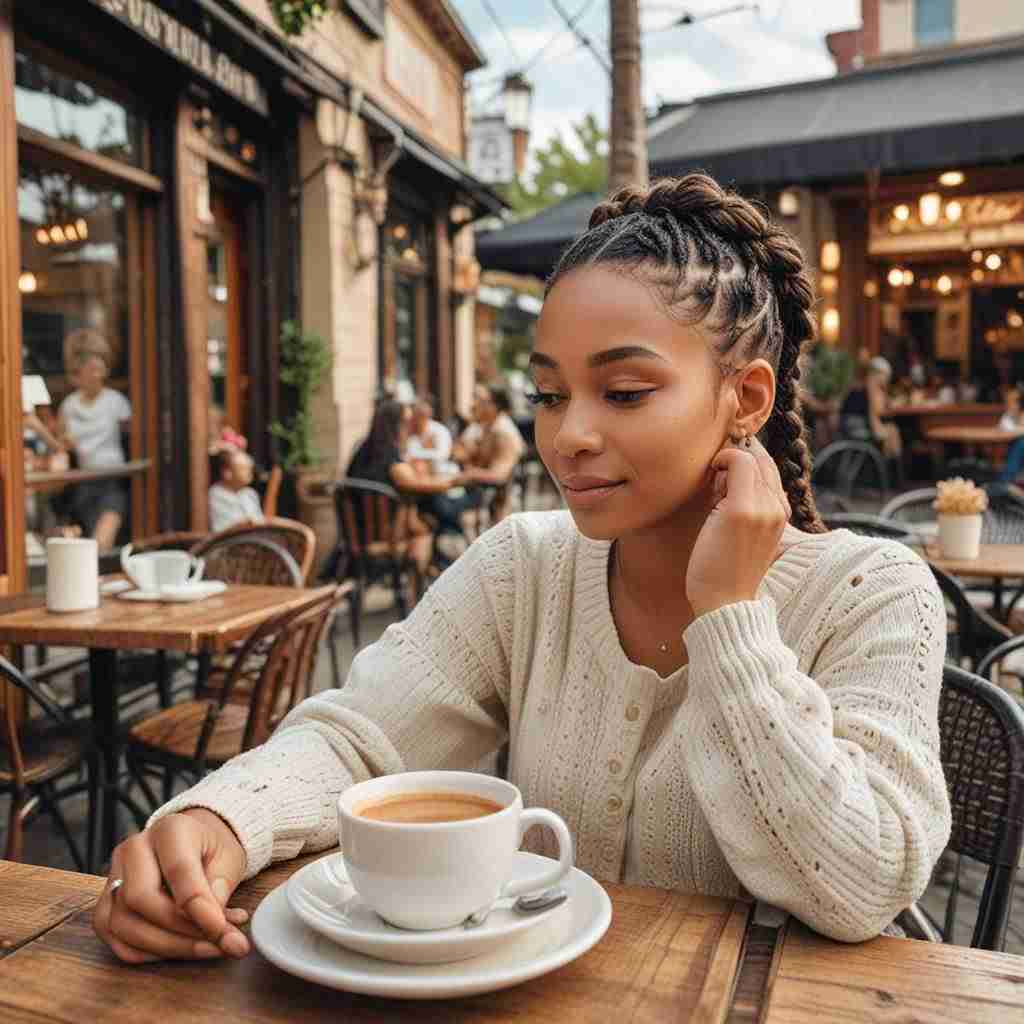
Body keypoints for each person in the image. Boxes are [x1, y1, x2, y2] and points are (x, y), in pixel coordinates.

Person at [94, 174, 950, 963]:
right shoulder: (526, 565)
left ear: (747, 399)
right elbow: (364, 738)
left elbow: (864, 882)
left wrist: (727, 613)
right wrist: (223, 818)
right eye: (547, 394)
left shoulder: (873, 591)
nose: (569, 434)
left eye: (622, 393)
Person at [345, 400, 464, 574]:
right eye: (408, 422)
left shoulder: (363, 451)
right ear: (396, 425)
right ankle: (416, 585)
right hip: (386, 536)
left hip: (356, 532)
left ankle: (430, 568)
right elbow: (416, 483)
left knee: (426, 514)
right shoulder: (391, 460)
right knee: (425, 527)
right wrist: (453, 481)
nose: (412, 426)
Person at [57, 347, 131, 551]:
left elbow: (132, 433)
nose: (97, 374)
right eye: (91, 369)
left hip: (113, 479)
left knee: (102, 541)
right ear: (78, 374)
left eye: (100, 369)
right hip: (83, 481)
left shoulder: (116, 401)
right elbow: (61, 441)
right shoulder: (69, 405)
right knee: (88, 543)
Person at [451, 384, 525, 524]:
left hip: (498, 504)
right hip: (484, 495)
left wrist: (469, 473)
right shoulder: (488, 427)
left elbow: (499, 475)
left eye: (482, 401)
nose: (475, 404)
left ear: (495, 406)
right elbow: (464, 452)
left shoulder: (503, 432)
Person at [839, 354, 903, 484]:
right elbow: (873, 414)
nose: (887, 379)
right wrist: (880, 432)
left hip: (846, 424)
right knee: (892, 432)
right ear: (879, 373)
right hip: (856, 427)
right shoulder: (872, 383)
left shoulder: (861, 383)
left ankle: (889, 476)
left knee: (892, 431)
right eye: (886, 375)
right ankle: (890, 478)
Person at [208, 449, 263, 532]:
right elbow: (223, 529)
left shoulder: (250, 493)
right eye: (243, 468)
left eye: (250, 468)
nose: (249, 473)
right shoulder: (216, 495)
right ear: (227, 472)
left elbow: (259, 522)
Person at [403, 394, 452, 472]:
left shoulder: (439, 430)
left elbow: (442, 454)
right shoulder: (409, 431)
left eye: (417, 416)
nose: (413, 420)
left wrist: (415, 455)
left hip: (439, 471)